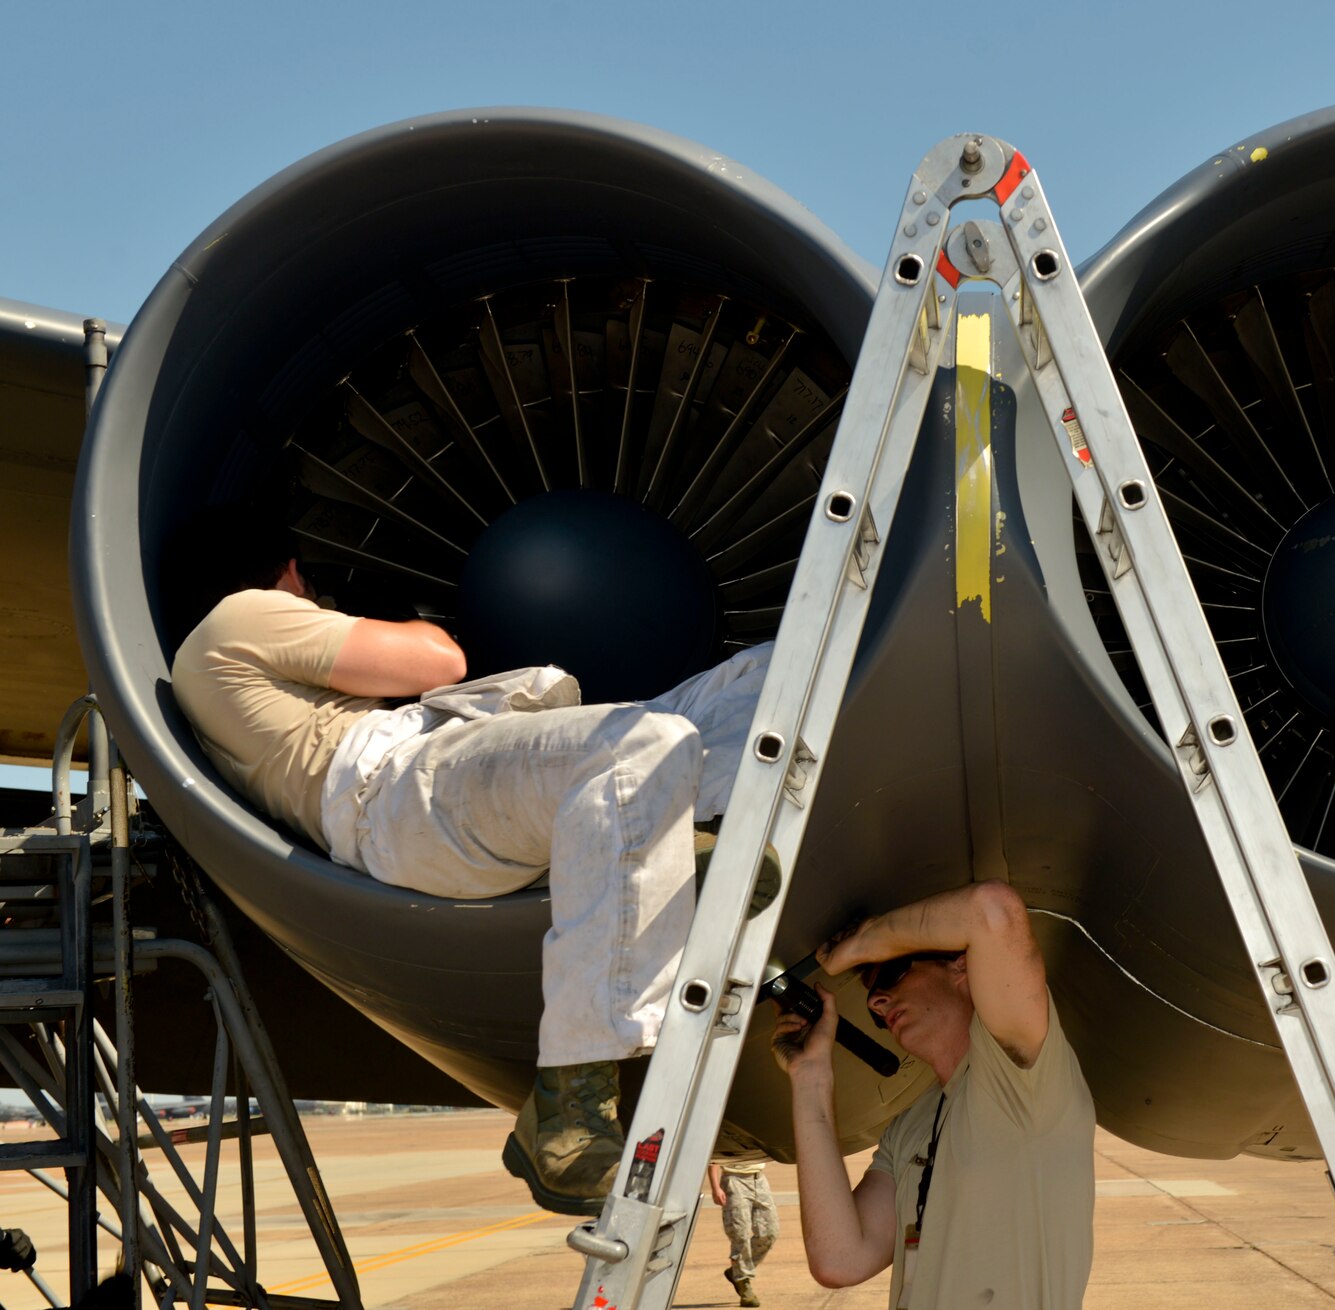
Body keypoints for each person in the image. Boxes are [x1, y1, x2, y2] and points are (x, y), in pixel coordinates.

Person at [167, 508, 771, 1216]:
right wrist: (406, 625)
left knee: (759, 680)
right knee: (640, 745)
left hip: (428, 791)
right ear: (290, 575)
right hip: (397, 791)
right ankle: (570, 1106)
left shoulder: (225, 671)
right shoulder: (240, 618)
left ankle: (672, 849)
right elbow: (439, 661)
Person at [771, 881, 1095, 1309]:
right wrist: (810, 1079)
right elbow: (841, 1259)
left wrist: (867, 938)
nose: (880, 1002)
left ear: (960, 965)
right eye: (873, 1006)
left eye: (890, 973)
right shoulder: (911, 1126)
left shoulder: (1024, 1079)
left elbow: (993, 911)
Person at [707, 1159, 778, 1306]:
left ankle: (736, 1271)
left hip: (759, 1179)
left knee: (770, 1232)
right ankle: (743, 1283)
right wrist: (715, 1187)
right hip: (734, 1180)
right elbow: (715, 1157)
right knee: (740, 1235)